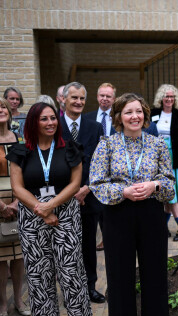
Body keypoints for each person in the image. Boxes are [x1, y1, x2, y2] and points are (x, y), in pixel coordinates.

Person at [89, 93, 175, 316]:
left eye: (139, 112)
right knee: (120, 277)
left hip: (151, 214)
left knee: (155, 275)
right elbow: (96, 183)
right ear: (118, 117)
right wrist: (123, 192)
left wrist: (155, 185)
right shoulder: (106, 145)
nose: (135, 117)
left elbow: (171, 182)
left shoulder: (158, 144)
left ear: (145, 115)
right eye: (128, 112)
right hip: (118, 214)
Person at [6, 102, 97, 316]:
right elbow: (17, 187)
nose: (50, 123)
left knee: (71, 273)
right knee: (38, 275)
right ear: (34, 122)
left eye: (52, 118)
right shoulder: (19, 151)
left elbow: (75, 183)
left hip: (65, 215)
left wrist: (51, 206)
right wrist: (41, 210)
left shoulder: (70, 148)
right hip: (32, 218)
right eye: (44, 119)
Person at [60, 82, 106, 303]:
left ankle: (90, 287)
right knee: (66, 247)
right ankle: (69, 290)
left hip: (88, 198)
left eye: (81, 99)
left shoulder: (95, 127)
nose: (78, 102)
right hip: (61, 199)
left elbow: (100, 163)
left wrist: (86, 188)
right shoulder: (54, 126)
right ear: (63, 100)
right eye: (73, 98)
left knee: (88, 245)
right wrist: (68, 193)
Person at [0, 97, 29, 316]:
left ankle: (18, 300)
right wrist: (1, 206)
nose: (1, 110)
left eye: (2, 107)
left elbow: (28, 172)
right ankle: (2, 302)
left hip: (19, 199)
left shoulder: (20, 138)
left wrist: (17, 202)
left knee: (18, 256)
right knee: (0, 258)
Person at [151, 84, 178, 241]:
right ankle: (163, 227)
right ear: (161, 98)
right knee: (167, 199)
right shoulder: (153, 113)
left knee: (171, 197)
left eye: (172, 96)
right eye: (166, 96)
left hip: (175, 161)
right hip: (157, 160)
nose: (169, 99)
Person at [84, 82, 117, 252]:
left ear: (114, 99)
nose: (104, 99)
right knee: (94, 208)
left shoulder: (119, 119)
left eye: (108, 96)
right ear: (97, 97)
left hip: (114, 171)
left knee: (109, 209)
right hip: (93, 171)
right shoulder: (88, 118)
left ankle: (108, 239)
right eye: (102, 95)